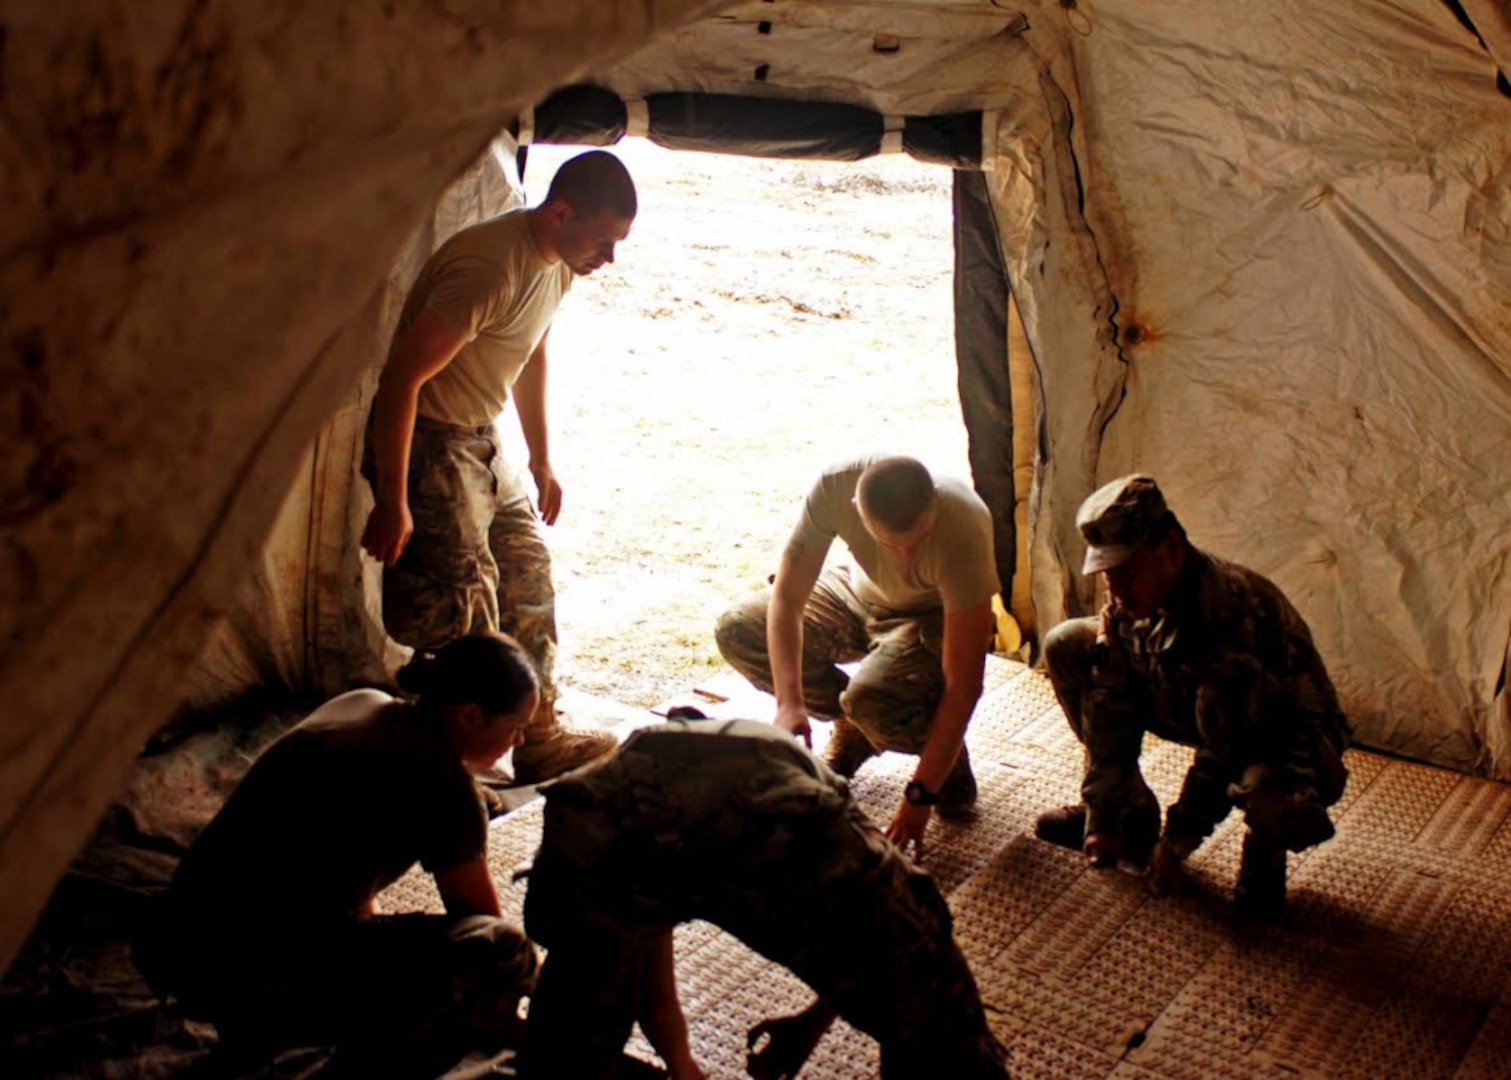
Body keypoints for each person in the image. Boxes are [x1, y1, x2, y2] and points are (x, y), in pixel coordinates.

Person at [517, 710, 1009, 1080]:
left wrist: (815, 1021)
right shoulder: (622, 841)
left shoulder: (606, 854)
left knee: (943, 1045)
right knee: (573, 1027)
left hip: (807, 855)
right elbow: (650, 977)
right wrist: (686, 1068)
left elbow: (891, 936)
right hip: (792, 824)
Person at [135, 632, 543, 1075]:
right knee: (506, 954)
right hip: (241, 971)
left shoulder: (365, 703)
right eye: (515, 728)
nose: (518, 742)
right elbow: (482, 919)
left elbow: (337, 856)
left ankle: (253, 1034)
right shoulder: (444, 787)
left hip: (176, 938)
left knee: (316, 916)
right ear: (470, 715)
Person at [360, 149, 637, 784]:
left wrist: (541, 458)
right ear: (561, 212)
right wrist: (394, 497)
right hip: (431, 437)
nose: (609, 258)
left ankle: (536, 734)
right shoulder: (490, 267)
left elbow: (531, 350)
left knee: (528, 570)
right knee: (469, 603)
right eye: (604, 240)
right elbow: (401, 379)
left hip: (480, 438)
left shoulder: (561, 264)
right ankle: (452, 764)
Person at [1034, 474, 1352, 921]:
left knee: (1271, 793)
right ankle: (1133, 815)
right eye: (1108, 572)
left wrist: (1176, 843)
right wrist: (1104, 814)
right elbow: (1110, 703)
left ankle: (1265, 854)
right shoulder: (1132, 600)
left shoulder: (1228, 619)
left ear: (1171, 551)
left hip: (1278, 730)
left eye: (1125, 570)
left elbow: (1222, 753)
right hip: (1190, 698)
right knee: (1069, 643)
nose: (1115, 587)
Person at [715, 454, 1000, 857]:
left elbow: (965, 683)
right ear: (856, 509)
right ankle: (856, 726)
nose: (903, 555)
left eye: (915, 541)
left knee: (873, 700)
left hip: (930, 615)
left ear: (933, 503)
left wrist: (919, 796)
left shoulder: (963, 527)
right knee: (738, 628)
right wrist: (789, 702)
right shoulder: (834, 488)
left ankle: (943, 762)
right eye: (889, 543)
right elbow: (788, 599)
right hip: (856, 593)